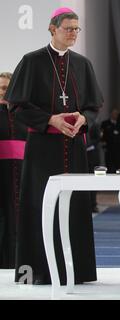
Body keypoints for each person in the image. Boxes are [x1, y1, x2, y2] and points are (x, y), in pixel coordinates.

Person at [5, 7, 103, 284]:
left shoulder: (83, 64)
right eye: (68, 28)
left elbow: (95, 107)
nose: (73, 34)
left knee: (75, 208)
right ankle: (37, 272)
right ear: (52, 29)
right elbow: (17, 106)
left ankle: (79, 271)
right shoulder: (32, 61)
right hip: (42, 150)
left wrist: (84, 117)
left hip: (73, 148)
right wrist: (50, 120)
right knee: (39, 206)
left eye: (76, 29)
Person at [0, 72, 27, 268]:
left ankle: (17, 261)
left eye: (5, 88)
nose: (2, 92)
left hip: (22, 173)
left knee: (18, 217)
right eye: (0, 88)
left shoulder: (25, 115)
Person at [101, 108, 120, 173]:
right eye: (114, 113)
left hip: (118, 148)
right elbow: (102, 135)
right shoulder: (105, 123)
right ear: (111, 114)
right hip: (109, 148)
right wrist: (103, 144)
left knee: (118, 165)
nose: (115, 115)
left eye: (117, 114)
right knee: (109, 165)